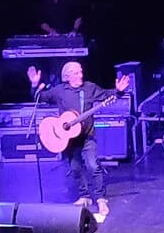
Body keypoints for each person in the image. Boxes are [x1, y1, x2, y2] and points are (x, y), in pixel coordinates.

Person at [28, 61, 129, 222]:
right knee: (75, 168)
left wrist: (119, 91)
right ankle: (84, 196)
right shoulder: (60, 91)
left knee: (93, 165)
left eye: (81, 72)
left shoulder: (89, 88)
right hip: (68, 138)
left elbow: (106, 95)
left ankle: (101, 199)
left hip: (87, 135)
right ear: (67, 76)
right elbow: (41, 97)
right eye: (76, 73)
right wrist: (34, 85)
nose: (80, 75)